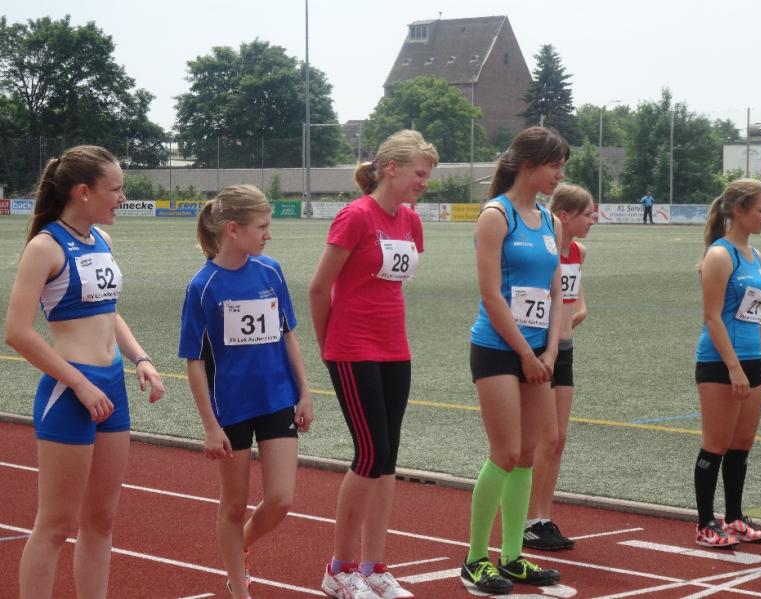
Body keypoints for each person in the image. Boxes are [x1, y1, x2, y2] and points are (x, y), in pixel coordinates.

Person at [4, 145, 165, 599]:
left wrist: (141, 358)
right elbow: (17, 332)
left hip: (111, 386)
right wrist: (79, 383)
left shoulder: (102, 241)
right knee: (55, 525)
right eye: (115, 189)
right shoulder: (45, 247)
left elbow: (109, 312)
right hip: (69, 389)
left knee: (102, 522)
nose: (122, 198)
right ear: (83, 192)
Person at [309, 130, 438, 599]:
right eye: (419, 173)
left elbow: (391, 286)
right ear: (391, 168)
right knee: (369, 453)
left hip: (394, 349)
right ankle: (339, 569)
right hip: (352, 348)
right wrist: (330, 347)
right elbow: (319, 288)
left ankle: (374, 566)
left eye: (427, 176)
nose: (424, 183)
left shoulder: (410, 221)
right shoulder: (356, 216)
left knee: (387, 459)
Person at [179, 184, 313, 599]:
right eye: (262, 227)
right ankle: (239, 588)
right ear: (233, 229)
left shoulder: (271, 271)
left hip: (277, 399)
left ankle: (240, 548)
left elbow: (288, 334)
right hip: (231, 410)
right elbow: (194, 361)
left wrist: (305, 393)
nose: (268, 235)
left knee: (281, 499)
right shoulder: (203, 286)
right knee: (234, 504)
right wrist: (209, 425)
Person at [462, 127, 565, 595]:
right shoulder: (495, 216)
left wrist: (550, 350)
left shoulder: (550, 222)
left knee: (527, 454)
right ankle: (474, 560)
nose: (559, 175)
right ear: (528, 166)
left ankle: (512, 557)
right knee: (504, 453)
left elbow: (556, 291)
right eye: (554, 166)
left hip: (538, 354)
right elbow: (490, 294)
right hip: (498, 349)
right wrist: (525, 352)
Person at [693, 178, 761, 549]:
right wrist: (734, 367)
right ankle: (705, 523)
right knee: (716, 444)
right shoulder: (720, 255)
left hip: (751, 359)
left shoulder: (754, 255)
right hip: (720, 362)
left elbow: (752, 314)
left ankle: (735, 517)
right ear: (739, 210)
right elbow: (712, 318)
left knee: (742, 444)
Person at [523, 184, 594, 551]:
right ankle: (527, 520)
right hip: (542, 349)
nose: (592, 220)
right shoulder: (545, 251)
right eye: (587, 214)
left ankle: (543, 517)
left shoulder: (578, 252)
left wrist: (575, 315)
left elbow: (576, 300)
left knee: (559, 439)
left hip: (565, 348)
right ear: (564, 215)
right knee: (544, 437)